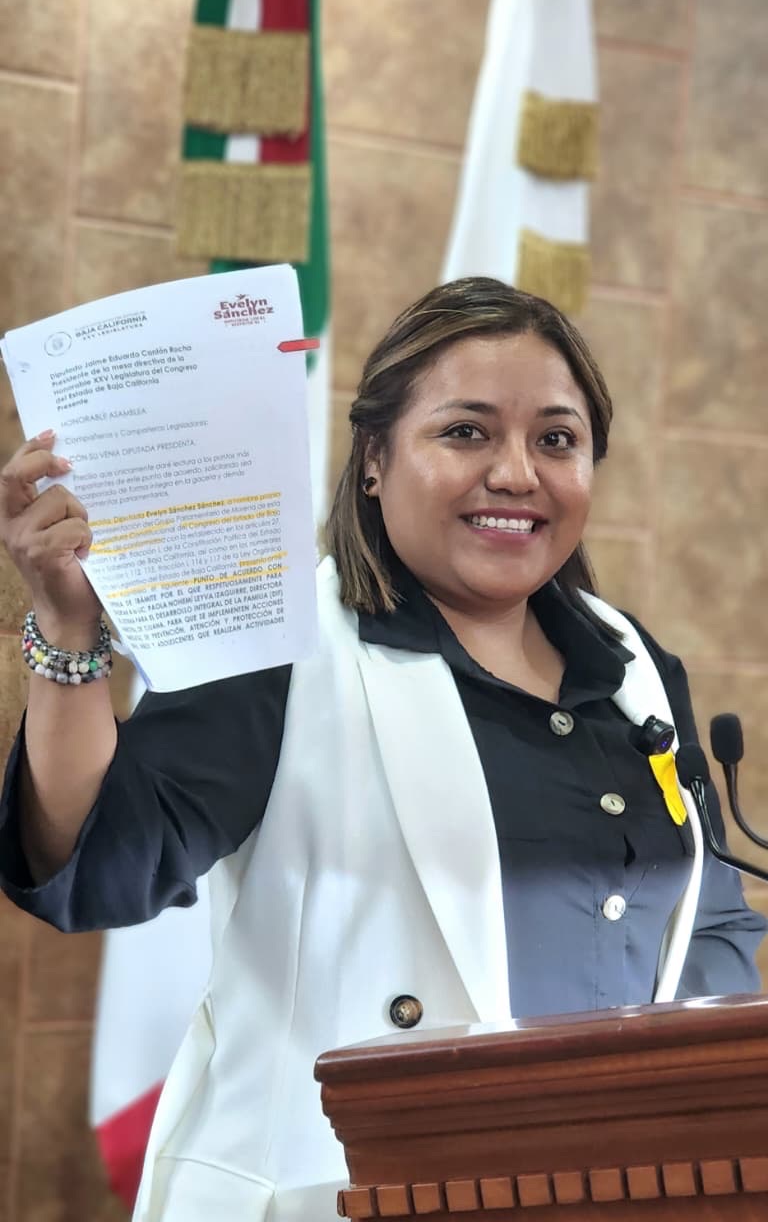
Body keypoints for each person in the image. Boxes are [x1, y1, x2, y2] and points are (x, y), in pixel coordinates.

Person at [0, 277, 764, 1222]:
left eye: (556, 440)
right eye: (467, 432)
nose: (517, 474)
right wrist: (67, 633)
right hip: (331, 1194)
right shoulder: (283, 650)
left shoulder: (636, 665)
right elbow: (95, 870)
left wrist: (698, 1134)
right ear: (373, 459)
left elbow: (708, 925)